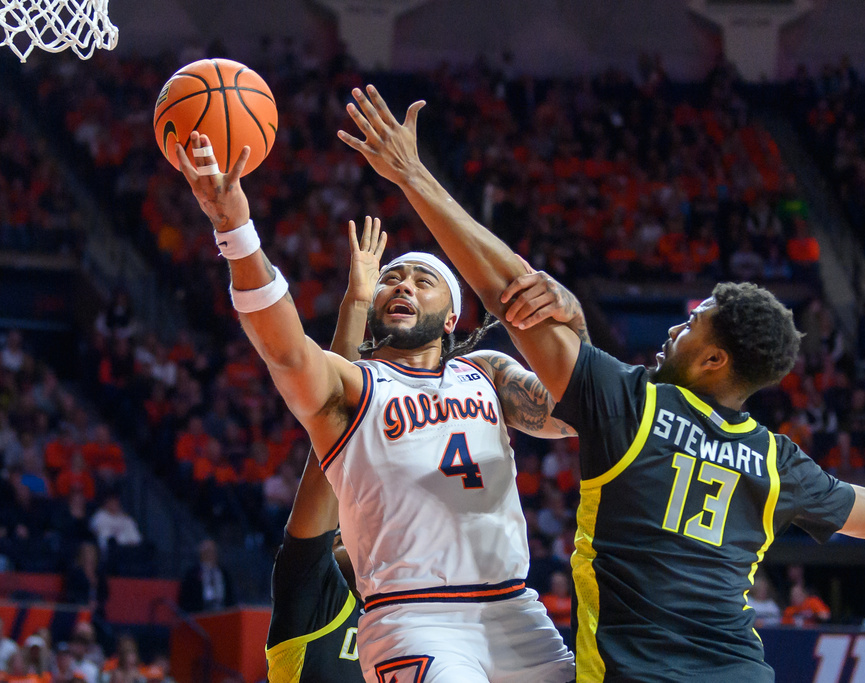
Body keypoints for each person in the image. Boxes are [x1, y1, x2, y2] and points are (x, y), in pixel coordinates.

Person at [339, 84, 865, 682]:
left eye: (693, 323)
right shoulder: (776, 462)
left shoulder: (632, 406)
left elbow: (512, 296)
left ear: (715, 361)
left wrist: (412, 176)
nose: (676, 328)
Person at [174, 130, 577, 683]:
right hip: (416, 618)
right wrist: (236, 232)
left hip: (515, 611)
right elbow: (286, 350)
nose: (403, 285)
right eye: (391, 277)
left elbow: (576, 406)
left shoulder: (485, 373)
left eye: (423, 279)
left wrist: (568, 309)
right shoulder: (355, 388)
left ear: (453, 316)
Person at [266, 217, 383, 682]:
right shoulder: (309, 590)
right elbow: (333, 430)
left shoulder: (408, 618)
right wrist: (356, 304)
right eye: (341, 530)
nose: (347, 534)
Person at [177, 539, 236, 614]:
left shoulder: (224, 573)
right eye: (207, 552)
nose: (210, 555)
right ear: (201, 554)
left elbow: (231, 597)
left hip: (223, 612)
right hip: (201, 613)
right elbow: (185, 600)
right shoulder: (192, 574)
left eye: (213, 552)